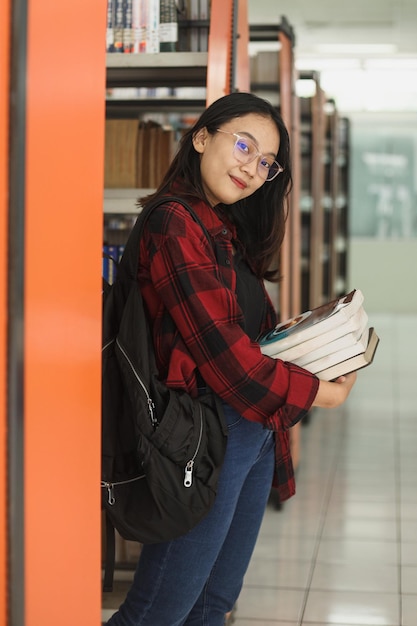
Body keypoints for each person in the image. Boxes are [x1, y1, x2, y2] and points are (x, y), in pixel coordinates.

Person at [105, 91, 356, 626]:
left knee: (214, 603)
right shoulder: (173, 222)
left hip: (250, 426)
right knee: (157, 612)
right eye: (244, 145)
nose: (252, 166)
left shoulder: (221, 227)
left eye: (266, 162)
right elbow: (228, 362)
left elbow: (247, 336)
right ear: (201, 138)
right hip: (207, 434)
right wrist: (320, 392)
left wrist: (307, 341)